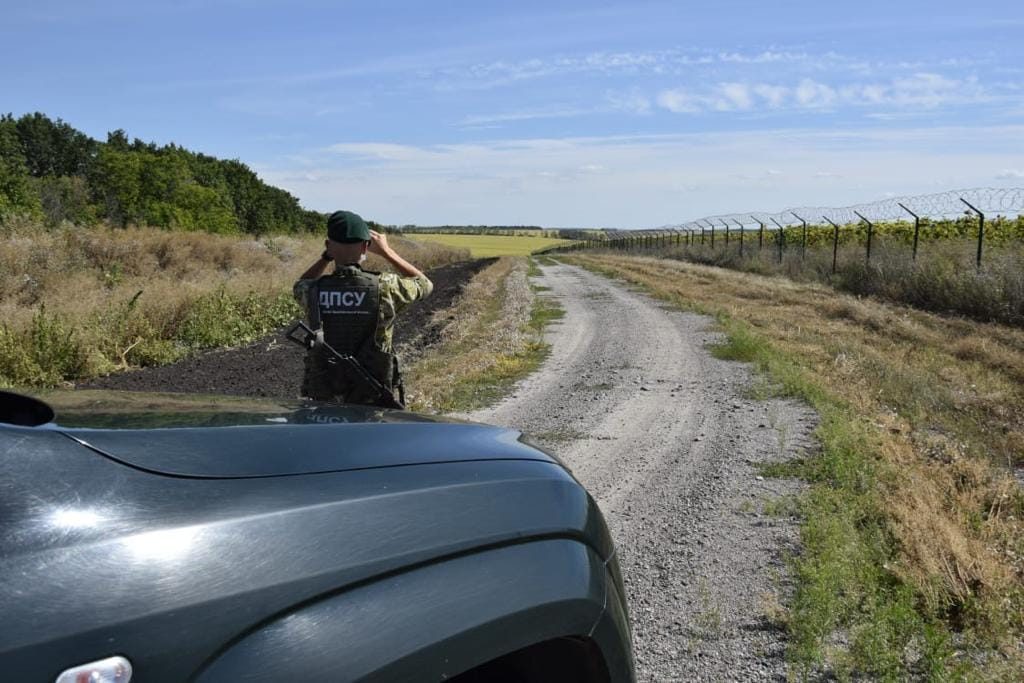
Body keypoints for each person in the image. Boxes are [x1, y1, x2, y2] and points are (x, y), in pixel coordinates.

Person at [293, 210, 432, 407]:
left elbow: (300, 284)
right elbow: (425, 284)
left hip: (323, 396)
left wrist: (327, 257)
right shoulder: (386, 286)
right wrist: (387, 252)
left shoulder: (312, 290)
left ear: (328, 245)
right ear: (366, 247)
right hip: (373, 395)